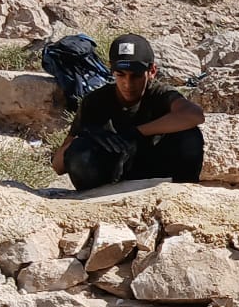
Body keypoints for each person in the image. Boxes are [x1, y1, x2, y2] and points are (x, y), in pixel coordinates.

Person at [51, 32, 205, 191]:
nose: (128, 84)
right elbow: (58, 165)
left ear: (152, 71)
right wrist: (87, 137)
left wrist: (135, 133)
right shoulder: (95, 101)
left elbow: (194, 115)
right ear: (112, 71)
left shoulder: (159, 93)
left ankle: (183, 193)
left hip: (154, 171)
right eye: (121, 75)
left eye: (136, 76)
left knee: (189, 136)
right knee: (79, 152)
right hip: (110, 177)